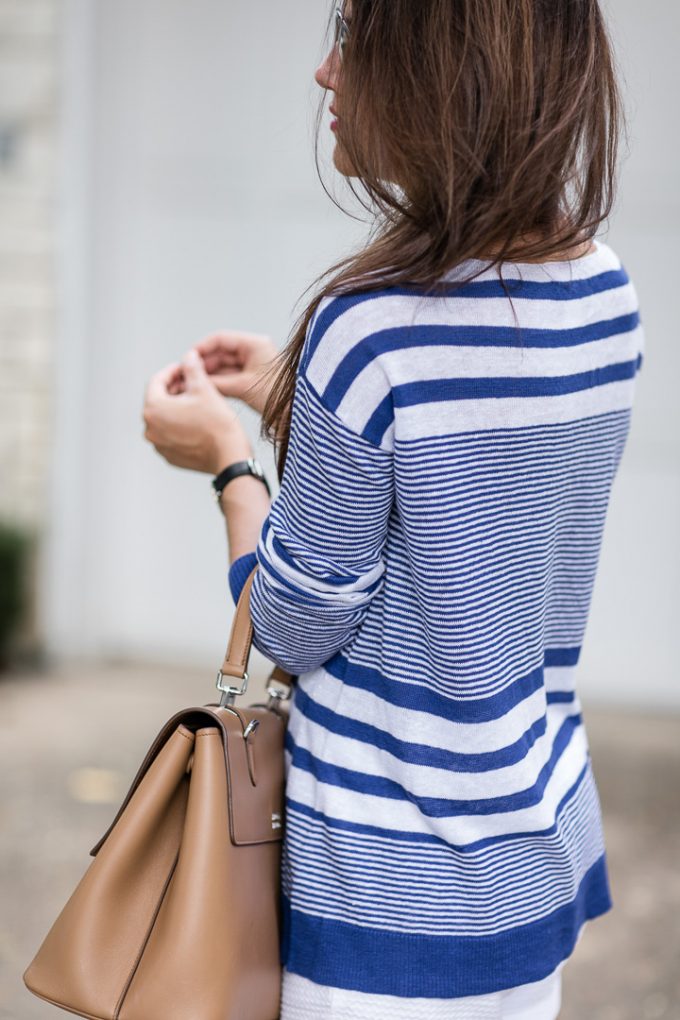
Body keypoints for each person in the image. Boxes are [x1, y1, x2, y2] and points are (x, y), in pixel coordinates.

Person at [142, 1, 644, 1016]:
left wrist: (229, 465)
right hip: (530, 857)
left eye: (359, 43)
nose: (325, 74)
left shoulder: (369, 330)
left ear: (443, 75)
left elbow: (291, 623)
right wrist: (298, 391)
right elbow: (482, 474)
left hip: (384, 899)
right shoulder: (600, 290)